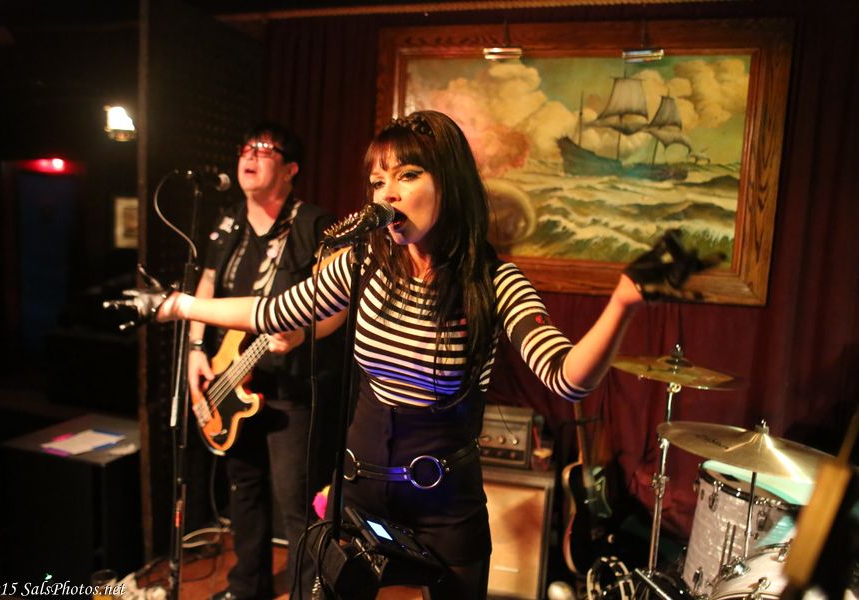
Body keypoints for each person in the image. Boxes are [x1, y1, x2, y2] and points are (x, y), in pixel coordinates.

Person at [127, 110, 708, 599]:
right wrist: (178, 306)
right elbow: (271, 311)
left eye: (407, 175)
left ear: (448, 183)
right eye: (377, 181)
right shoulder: (362, 264)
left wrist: (623, 301)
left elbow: (565, 377)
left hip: (444, 504)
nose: (388, 194)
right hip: (359, 488)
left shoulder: (494, 281)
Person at [187, 122, 344, 600]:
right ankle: (246, 587)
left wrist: (302, 334)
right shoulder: (227, 223)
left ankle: (303, 593)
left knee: (297, 505)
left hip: (290, 389)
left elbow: (338, 305)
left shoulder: (315, 226)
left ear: (291, 169)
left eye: (264, 149)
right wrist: (195, 349)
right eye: (245, 148)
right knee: (244, 490)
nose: (249, 156)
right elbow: (207, 286)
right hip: (229, 377)